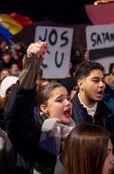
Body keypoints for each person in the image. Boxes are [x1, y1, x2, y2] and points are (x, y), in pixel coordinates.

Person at [4, 41, 75, 174]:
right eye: (60, 100)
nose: (67, 103)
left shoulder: (76, 132)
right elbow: (17, 115)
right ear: (44, 108)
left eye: (68, 99)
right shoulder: (36, 133)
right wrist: (31, 67)